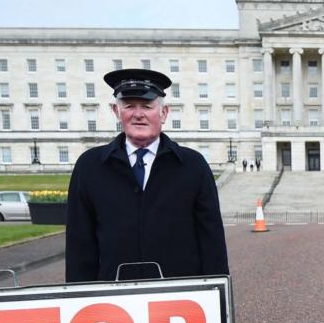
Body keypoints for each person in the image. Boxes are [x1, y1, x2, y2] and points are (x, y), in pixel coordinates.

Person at [66, 68, 229, 281]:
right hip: (113, 299)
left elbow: (211, 240)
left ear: (163, 113)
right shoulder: (89, 166)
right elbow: (80, 244)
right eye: (129, 106)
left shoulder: (193, 165)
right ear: (117, 111)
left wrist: (217, 296)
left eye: (147, 106)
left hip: (181, 297)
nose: (138, 114)